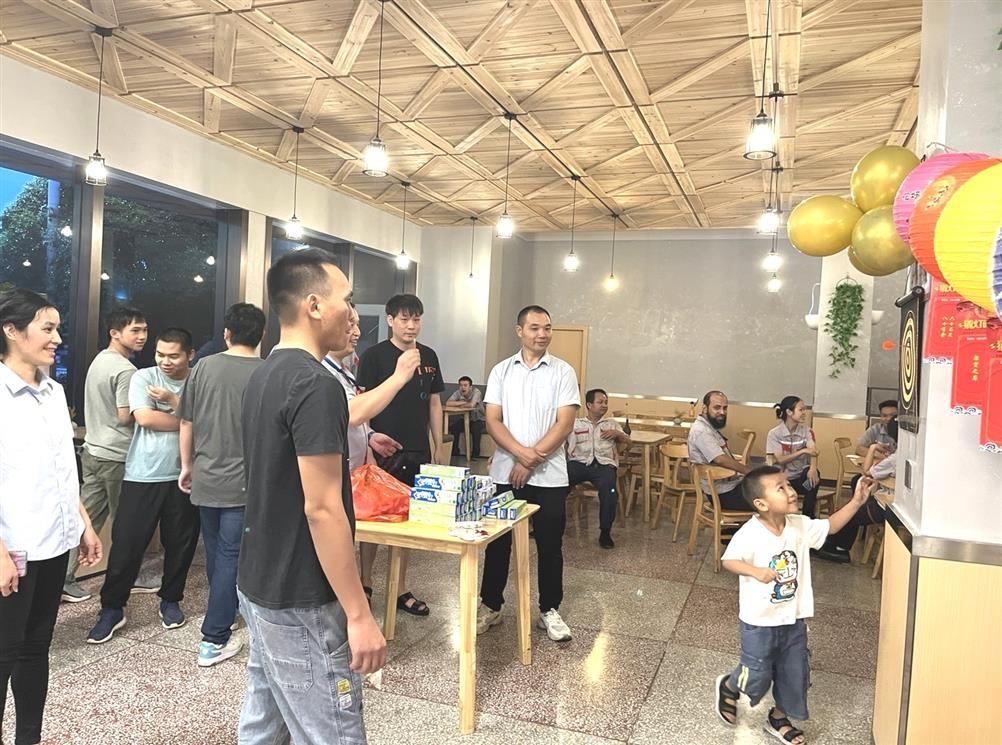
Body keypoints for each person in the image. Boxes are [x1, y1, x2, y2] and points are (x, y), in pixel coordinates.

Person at [237, 248, 385, 744]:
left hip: (259, 581)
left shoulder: (264, 375)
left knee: (266, 724)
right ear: (315, 305)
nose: (353, 312)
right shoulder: (315, 384)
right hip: (302, 591)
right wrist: (359, 613)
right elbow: (321, 509)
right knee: (333, 733)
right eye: (348, 299)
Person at [0, 289, 102, 745]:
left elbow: (63, 469)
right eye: (47, 328)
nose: (57, 338)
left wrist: (83, 524)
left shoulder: (54, 391)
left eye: (57, 328)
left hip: (53, 542)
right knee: (4, 651)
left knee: (36, 646)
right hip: (12, 547)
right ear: (11, 331)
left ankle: (29, 737)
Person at [714, 466, 874, 745]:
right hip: (759, 621)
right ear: (761, 504)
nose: (790, 491)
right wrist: (755, 571)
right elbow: (729, 560)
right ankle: (729, 685)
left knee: (794, 673)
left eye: (788, 485)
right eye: (781, 488)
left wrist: (857, 501)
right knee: (757, 674)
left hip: (793, 618)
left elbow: (831, 526)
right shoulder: (750, 532)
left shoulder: (799, 525)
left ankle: (779, 717)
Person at [87, 328, 200, 644]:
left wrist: (175, 403)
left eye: (173, 355)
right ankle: (112, 607)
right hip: (143, 473)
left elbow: (208, 417)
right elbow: (146, 419)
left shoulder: (198, 380)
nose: (165, 361)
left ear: (190, 355)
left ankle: (171, 600)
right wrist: (190, 420)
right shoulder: (143, 377)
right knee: (126, 543)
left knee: (181, 543)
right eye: (160, 354)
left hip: (185, 475)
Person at [477, 305, 580, 642]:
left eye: (547, 327)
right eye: (535, 328)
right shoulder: (501, 371)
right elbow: (493, 420)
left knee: (550, 544)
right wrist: (521, 455)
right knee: (497, 543)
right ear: (519, 331)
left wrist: (529, 461)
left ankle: (549, 609)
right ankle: (491, 605)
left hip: (550, 476)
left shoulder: (563, 371)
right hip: (507, 473)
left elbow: (564, 424)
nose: (542, 334)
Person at [177, 304, 265, 667]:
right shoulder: (265, 373)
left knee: (216, 552)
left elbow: (186, 422)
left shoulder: (202, 368)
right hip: (244, 484)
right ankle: (214, 638)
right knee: (230, 554)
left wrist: (187, 465)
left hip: (206, 477)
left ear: (226, 334)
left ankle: (225, 613)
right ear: (261, 336)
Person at [356, 293, 444, 617]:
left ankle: (400, 587)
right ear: (391, 320)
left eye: (416, 319)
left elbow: (434, 403)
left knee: (409, 521)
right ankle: (365, 583)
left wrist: (439, 445)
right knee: (373, 520)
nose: (411, 325)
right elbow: (362, 403)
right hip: (382, 451)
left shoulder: (429, 355)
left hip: (417, 450)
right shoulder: (374, 356)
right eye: (405, 319)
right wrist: (367, 443)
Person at [62, 307, 149, 603]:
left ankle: (63, 578)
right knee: (127, 523)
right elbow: (125, 416)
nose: (142, 336)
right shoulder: (126, 370)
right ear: (115, 333)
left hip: (93, 451)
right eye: (135, 330)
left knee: (86, 520)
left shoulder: (100, 360)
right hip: (116, 456)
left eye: (144, 330)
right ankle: (130, 576)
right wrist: (152, 410)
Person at [816, 417, 899, 563]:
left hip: (885, 506)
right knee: (853, 504)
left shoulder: (895, 458)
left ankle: (838, 549)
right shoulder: (904, 454)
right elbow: (859, 449)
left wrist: (872, 448)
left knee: (849, 514)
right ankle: (837, 545)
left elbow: (866, 471)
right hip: (892, 502)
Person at [566, 388, 630, 549]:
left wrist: (619, 434)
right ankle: (547, 524)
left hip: (603, 466)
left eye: (606, 402)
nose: (604, 405)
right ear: (589, 405)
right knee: (557, 485)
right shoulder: (576, 424)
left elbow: (629, 443)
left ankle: (605, 533)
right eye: (600, 402)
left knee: (610, 492)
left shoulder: (612, 424)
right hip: (579, 463)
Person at [688, 390, 752, 510]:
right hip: (721, 494)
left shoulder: (709, 427)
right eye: (717, 407)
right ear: (705, 408)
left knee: (768, 490)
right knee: (772, 500)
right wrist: (749, 471)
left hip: (729, 485)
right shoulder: (701, 431)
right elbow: (720, 459)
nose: (722, 412)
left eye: (725, 408)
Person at [767, 396, 821, 518]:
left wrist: (813, 468)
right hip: (782, 480)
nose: (804, 413)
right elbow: (780, 459)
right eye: (801, 410)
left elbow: (813, 450)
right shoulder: (774, 434)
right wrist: (802, 451)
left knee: (813, 478)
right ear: (789, 412)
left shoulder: (806, 431)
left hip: (800, 480)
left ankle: (807, 517)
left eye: (805, 409)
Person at [447, 376, 486, 459]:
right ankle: (455, 452)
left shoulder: (476, 392)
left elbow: (472, 405)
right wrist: (463, 402)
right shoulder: (458, 392)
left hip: (478, 419)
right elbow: (448, 403)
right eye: (461, 385)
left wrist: (457, 403)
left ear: (470, 387)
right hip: (465, 419)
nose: (463, 388)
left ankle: (475, 454)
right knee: (454, 427)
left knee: (476, 429)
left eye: (465, 385)